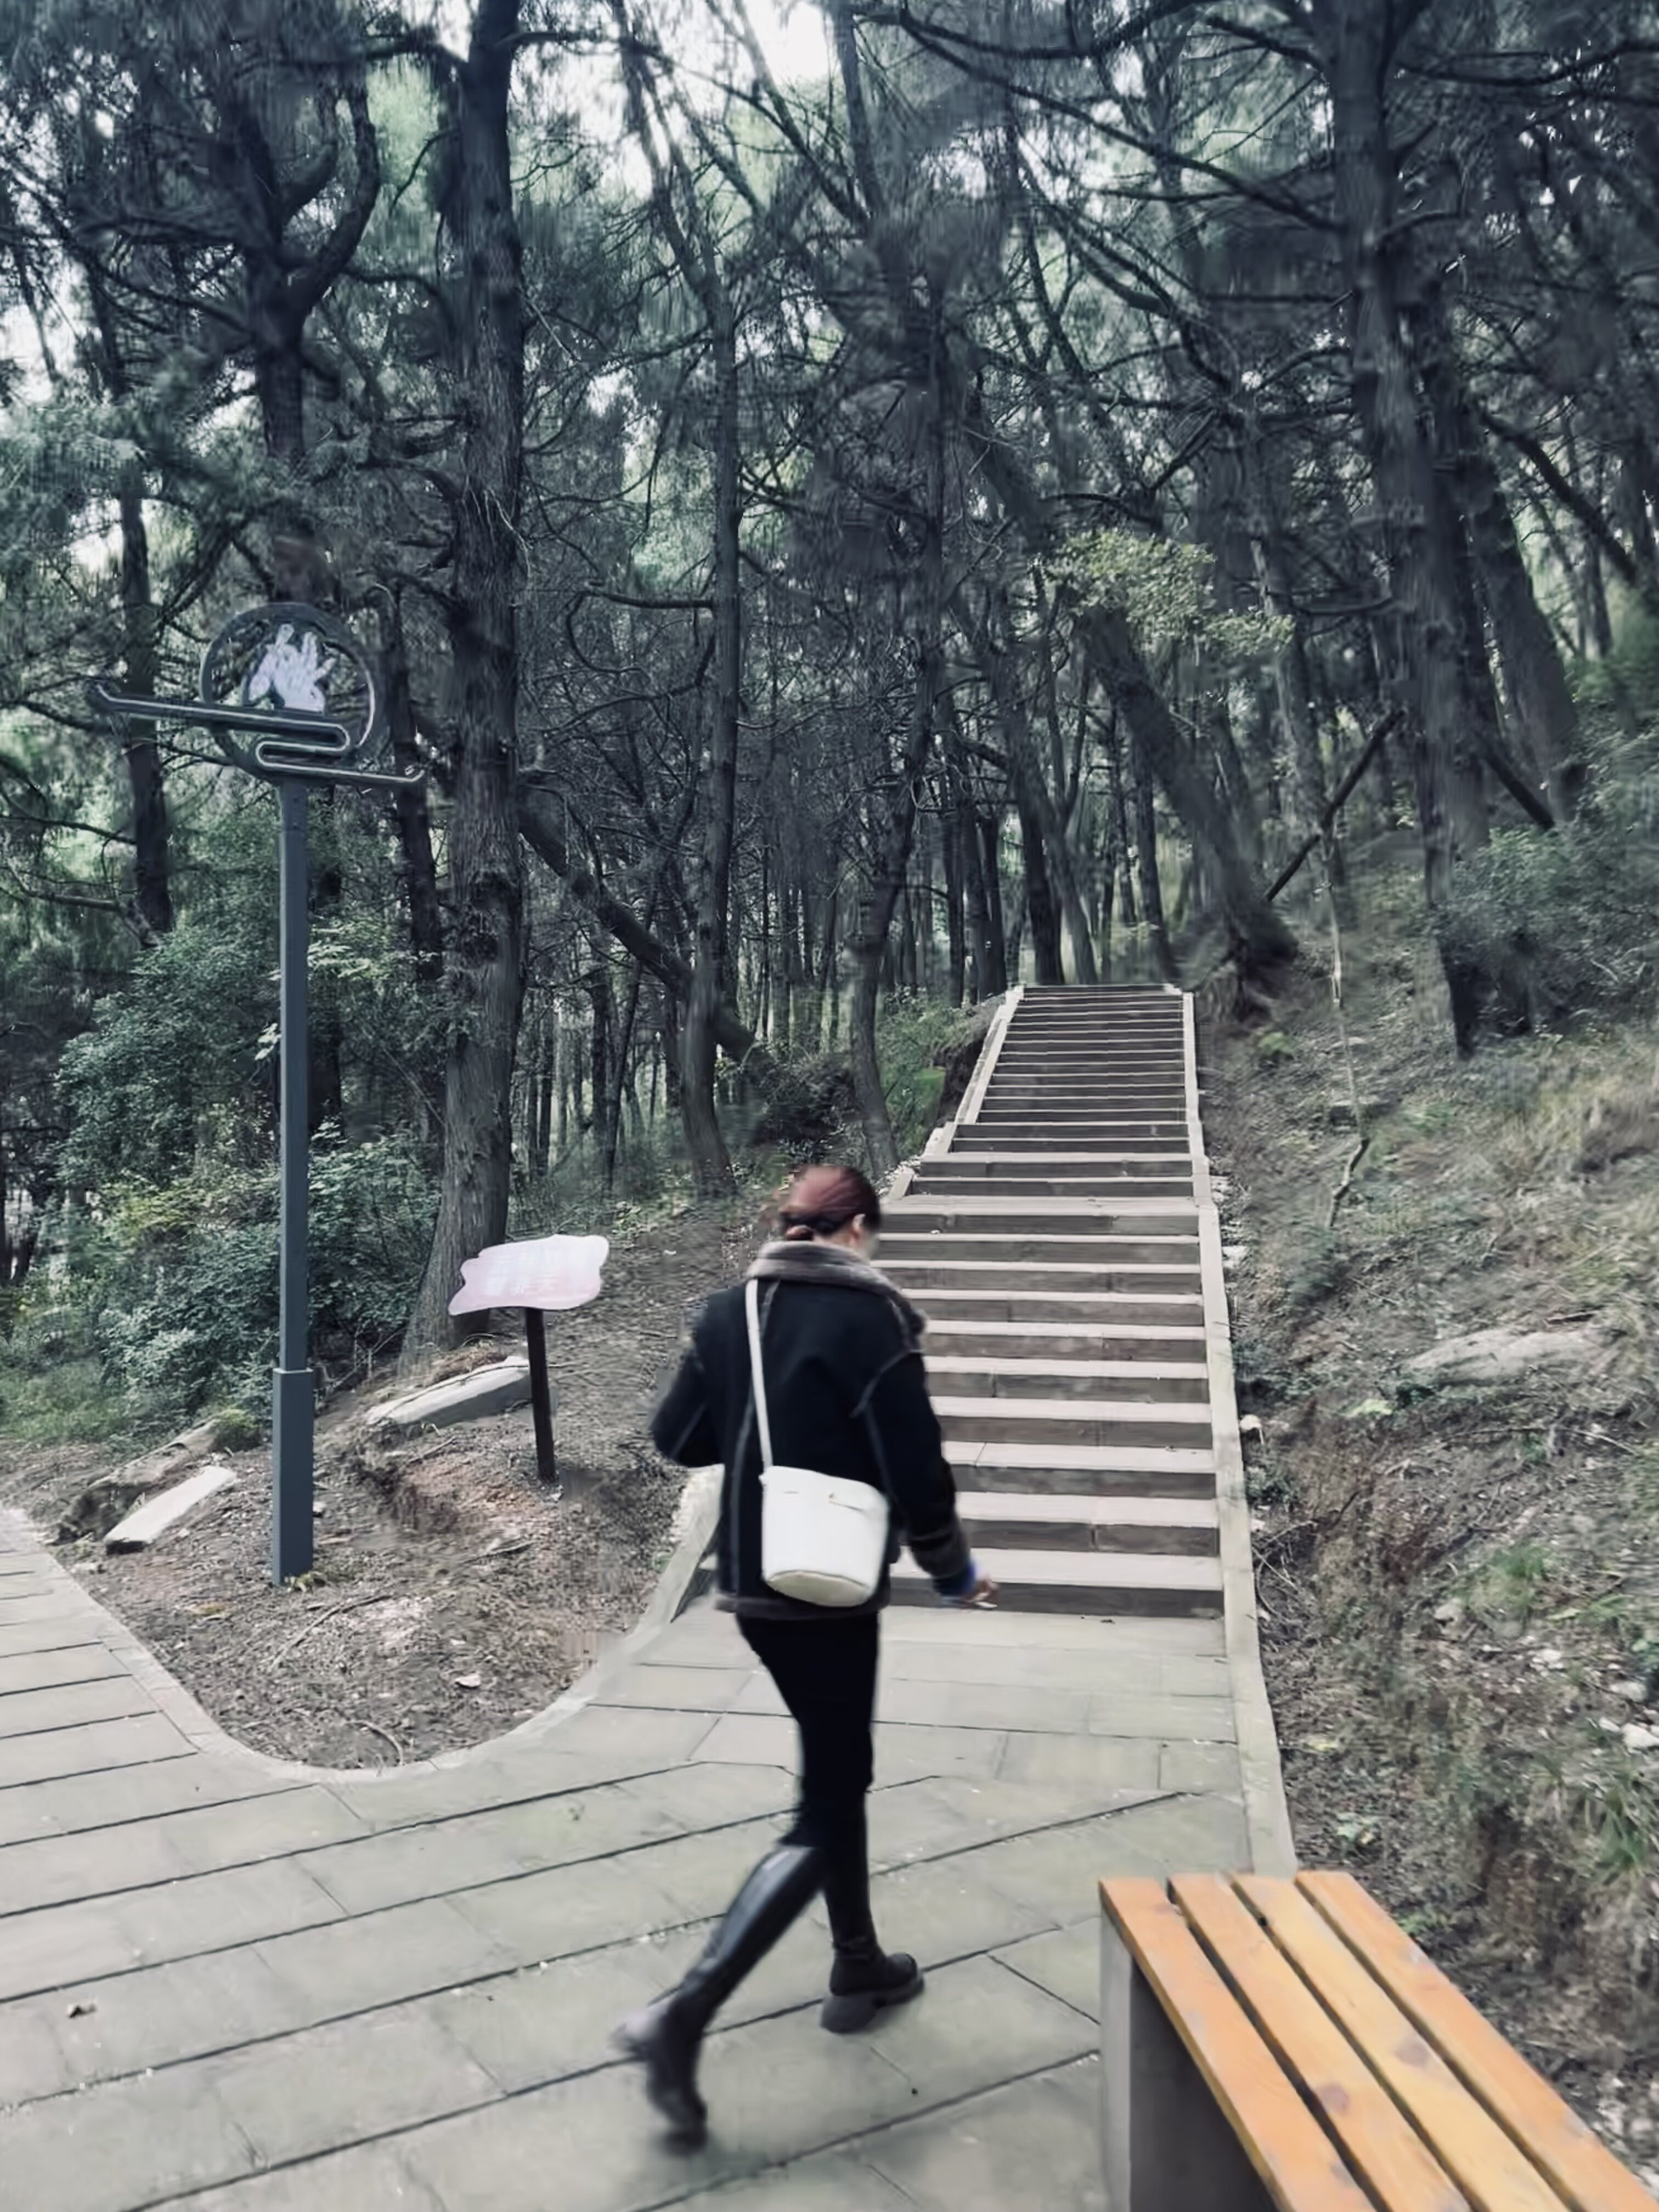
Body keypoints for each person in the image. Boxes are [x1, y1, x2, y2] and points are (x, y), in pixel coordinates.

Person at [615, 1163, 998, 2146]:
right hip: (830, 1591)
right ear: (857, 1228)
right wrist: (952, 1569)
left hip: (754, 1585)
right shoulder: (873, 1318)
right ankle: (683, 2016)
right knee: (826, 1801)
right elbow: (916, 1465)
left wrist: (764, 1430)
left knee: (835, 1775)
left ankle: (858, 1962)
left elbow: (676, 1437)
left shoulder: (724, 1313)